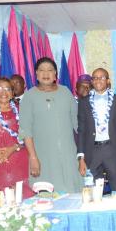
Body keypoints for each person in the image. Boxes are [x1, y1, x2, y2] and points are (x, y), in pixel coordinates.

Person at [18, 57, 82, 192]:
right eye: (41, 70)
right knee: (46, 199)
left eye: (50, 70)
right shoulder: (29, 97)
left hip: (68, 154)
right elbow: (25, 131)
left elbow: (78, 125)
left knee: (72, 194)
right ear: (36, 74)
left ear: (55, 74)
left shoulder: (65, 92)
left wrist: (83, 154)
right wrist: (33, 158)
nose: (45, 74)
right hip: (42, 156)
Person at [77, 68, 116, 192]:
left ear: (108, 81)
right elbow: (82, 131)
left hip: (113, 150)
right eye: (95, 78)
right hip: (92, 151)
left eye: (102, 77)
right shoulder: (84, 102)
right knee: (92, 190)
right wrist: (81, 158)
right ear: (92, 82)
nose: (98, 80)